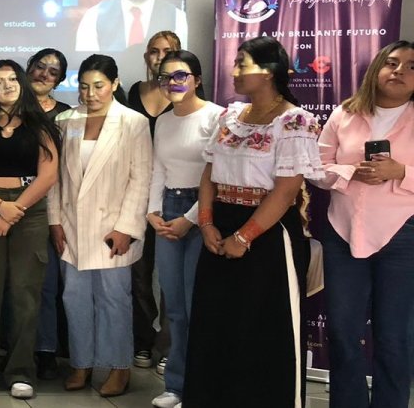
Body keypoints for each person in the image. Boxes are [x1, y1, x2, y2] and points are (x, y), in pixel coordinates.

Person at [185, 36, 323, 408]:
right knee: (215, 323)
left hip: (267, 234)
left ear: (269, 72)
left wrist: (244, 237)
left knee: (261, 327)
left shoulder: (295, 121)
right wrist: (207, 223)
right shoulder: (230, 116)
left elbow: (286, 189)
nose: (234, 71)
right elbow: (209, 175)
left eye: (242, 63)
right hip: (219, 228)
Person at [316, 41, 414, 408]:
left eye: (410, 66)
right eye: (391, 62)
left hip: (402, 235)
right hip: (343, 235)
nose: (399, 71)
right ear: (377, 69)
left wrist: (400, 171)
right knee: (343, 333)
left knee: (394, 337)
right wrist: (350, 172)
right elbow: (316, 167)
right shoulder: (345, 113)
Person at [49, 54, 151, 398]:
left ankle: (119, 367)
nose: (90, 94)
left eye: (98, 86)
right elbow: (57, 178)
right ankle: (82, 362)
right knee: (74, 296)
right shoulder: (67, 120)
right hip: (73, 224)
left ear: (115, 84)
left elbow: (141, 179)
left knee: (114, 299)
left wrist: (127, 227)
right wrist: (55, 221)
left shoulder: (132, 122)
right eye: (84, 86)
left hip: (113, 228)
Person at [0, 61, 60, 399]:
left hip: (28, 210)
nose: (6, 86)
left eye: (12, 79)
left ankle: (21, 371)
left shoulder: (39, 124)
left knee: (25, 294)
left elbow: (48, 175)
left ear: (23, 83)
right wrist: (0, 206)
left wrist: (14, 209)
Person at [145, 50, 221, 408]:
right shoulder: (163, 120)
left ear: (197, 79)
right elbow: (158, 169)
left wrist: (190, 218)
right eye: (165, 77)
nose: (172, 83)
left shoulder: (217, 117)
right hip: (169, 209)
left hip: (204, 210)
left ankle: (201, 384)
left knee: (197, 305)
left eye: (181, 76)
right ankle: (175, 384)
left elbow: (218, 175)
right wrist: (152, 212)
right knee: (173, 307)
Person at [124, 30, 180, 371]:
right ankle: (142, 340)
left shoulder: (187, 93)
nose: (160, 57)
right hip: (139, 192)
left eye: (168, 51)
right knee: (139, 275)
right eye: (154, 51)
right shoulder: (135, 92)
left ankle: (169, 344)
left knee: (172, 277)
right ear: (147, 57)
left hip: (176, 193)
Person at [26, 48, 70, 380]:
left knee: (46, 284)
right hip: (7, 205)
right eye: (40, 66)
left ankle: (45, 349)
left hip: (49, 207)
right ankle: (10, 348)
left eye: (52, 72)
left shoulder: (67, 116)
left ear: (60, 80)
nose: (44, 74)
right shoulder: (8, 107)